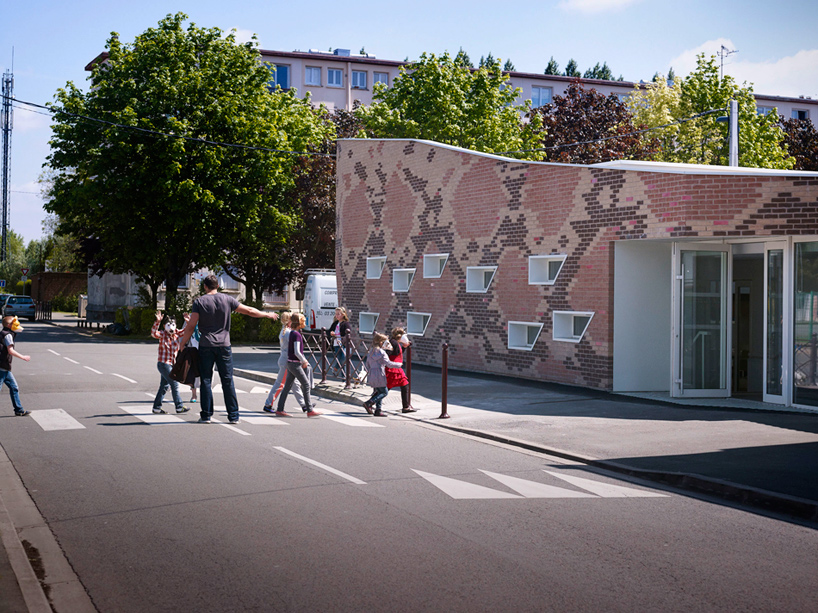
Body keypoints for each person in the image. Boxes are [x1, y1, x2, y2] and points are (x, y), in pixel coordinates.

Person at [180, 274, 278, 424]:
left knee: (206, 380)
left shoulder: (199, 302)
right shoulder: (227, 299)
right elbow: (250, 311)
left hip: (206, 345)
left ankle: (206, 415)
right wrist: (267, 314)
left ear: (205, 287)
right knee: (227, 380)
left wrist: (182, 343)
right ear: (218, 286)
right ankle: (233, 416)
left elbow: (191, 325)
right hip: (224, 345)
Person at [263, 311, 308, 415]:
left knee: (295, 384)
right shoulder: (289, 333)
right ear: (290, 322)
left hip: (284, 359)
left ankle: (304, 405)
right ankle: (268, 404)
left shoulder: (284, 331)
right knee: (280, 384)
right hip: (287, 361)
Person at [276, 313, 320, 417]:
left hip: (290, 363)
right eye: (303, 321)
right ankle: (309, 410)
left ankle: (280, 409)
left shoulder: (292, 333)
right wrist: (304, 361)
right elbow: (297, 351)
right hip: (295, 364)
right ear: (299, 323)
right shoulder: (296, 334)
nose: (305, 323)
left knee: (287, 386)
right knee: (305, 384)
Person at [150, 311, 190, 414]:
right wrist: (157, 322)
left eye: (173, 324)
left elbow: (187, 331)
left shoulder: (176, 333)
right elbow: (154, 333)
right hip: (163, 364)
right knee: (174, 384)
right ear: (164, 326)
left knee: (164, 386)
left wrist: (188, 322)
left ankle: (156, 408)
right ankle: (179, 406)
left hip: (171, 364)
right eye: (168, 325)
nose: (171, 327)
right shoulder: (163, 334)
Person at [362, 332, 403, 417]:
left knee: (378, 392)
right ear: (381, 343)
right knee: (384, 392)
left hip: (372, 374)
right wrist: (398, 365)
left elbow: (367, 364)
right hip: (380, 374)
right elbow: (388, 364)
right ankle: (369, 402)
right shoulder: (382, 352)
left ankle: (378, 410)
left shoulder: (371, 351)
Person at [0, 316, 30, 417]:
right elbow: (10, 350)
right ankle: (19, 409)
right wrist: (23, 357)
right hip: (2, 366)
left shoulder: (3, 333)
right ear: (9, 325)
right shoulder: (7, 335)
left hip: (4, 367)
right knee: (13, 387)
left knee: (14, 387)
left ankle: (19, 409)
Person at [385, 327, 416, 413]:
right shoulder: (393, 343)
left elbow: (398, 352)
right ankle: (370, 402)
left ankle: (406, 407)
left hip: (395, 368)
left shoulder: (395, 343)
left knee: (404, 384)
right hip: (393, 368)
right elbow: (388, 354)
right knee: (386, 388)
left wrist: (405, 346)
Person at [328, 307, 351, 377]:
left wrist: (342, 340)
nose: (337, 316)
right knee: (340, 360)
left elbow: (348, 334)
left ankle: (335, 368)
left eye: (339, 314)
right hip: (336, 344)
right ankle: (344, 379)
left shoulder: (346, 324)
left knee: (344, 358)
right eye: (336, 314)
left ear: (343, 314)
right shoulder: (335, 323)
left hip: (344, 344)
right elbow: (329, 331)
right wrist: (331, 333)